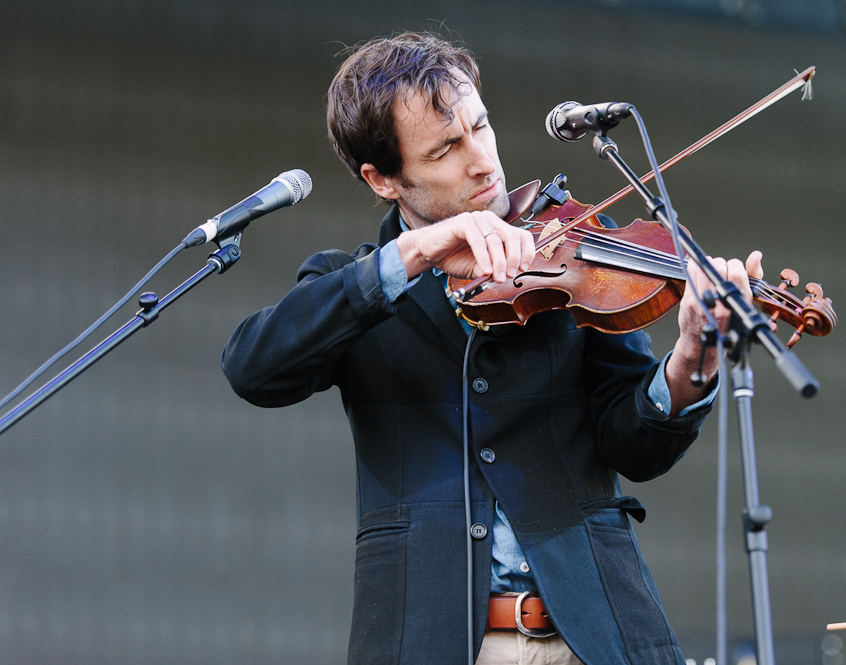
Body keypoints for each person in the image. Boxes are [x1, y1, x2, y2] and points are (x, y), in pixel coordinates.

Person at [221, 32, 763, 665]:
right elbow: (253, 367)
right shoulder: (355, 286)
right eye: (447, 148)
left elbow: (633, 445)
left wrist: (691, 357)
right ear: (383, 178)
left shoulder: (577, 248)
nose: (482, 161)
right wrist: (415, 254)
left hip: (593, 636)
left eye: (481, 127)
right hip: (429, 640)